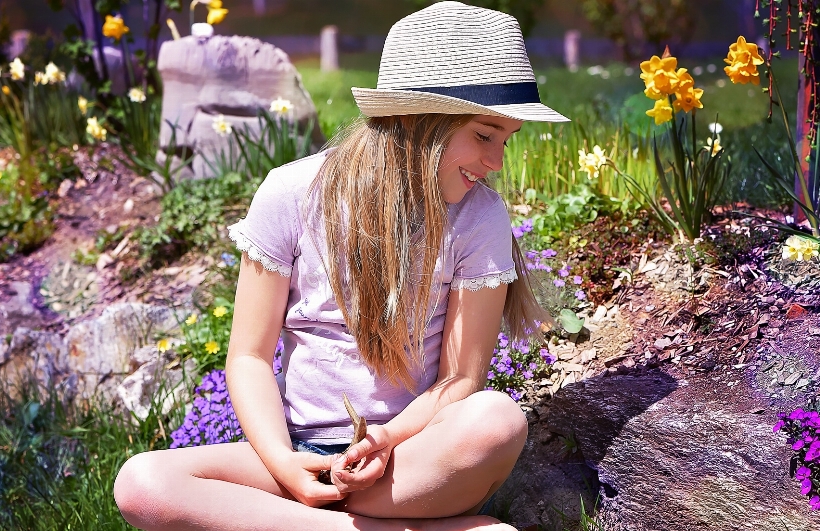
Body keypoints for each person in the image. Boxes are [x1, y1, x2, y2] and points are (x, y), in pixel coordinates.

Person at [114, 2, 568, 530]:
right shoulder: (293, 193)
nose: (495, 162)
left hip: (406, 461)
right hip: (299, 456)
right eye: (484, 135)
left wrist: (385, 440)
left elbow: (460, 379)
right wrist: (286, 465)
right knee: (143, 483)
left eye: (506, 140)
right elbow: (249, 358)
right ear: (414, 119)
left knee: (497, 419)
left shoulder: (479, 217)